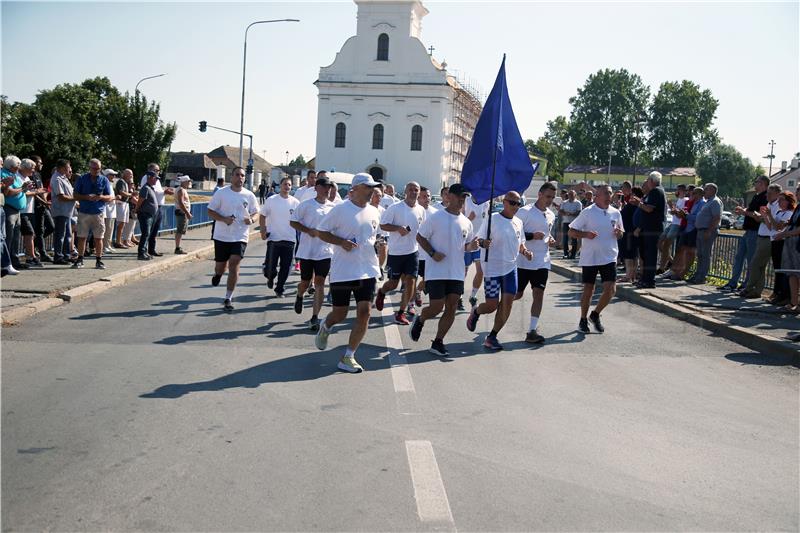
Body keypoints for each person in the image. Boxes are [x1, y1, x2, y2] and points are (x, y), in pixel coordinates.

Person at [314, 173, 382, 373]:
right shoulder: (340, 210)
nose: (372, 191)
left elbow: (371, 237)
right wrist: (341, 242)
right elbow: (321, 231)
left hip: (368, 270)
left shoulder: (374, 212)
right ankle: (326, 326)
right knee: (340, 313)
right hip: (343, 270)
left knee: (365, 312)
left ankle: (348, 356)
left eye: (373, 187)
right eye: (368, 187)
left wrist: (377, 244)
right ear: (356, 188)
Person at [410, 184, 478, 355]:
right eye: (459, 196)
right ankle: (421, 318)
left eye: (464, 197)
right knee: (436, 307)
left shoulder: (466, 223)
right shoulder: (435, 217)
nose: (462, 200)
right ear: (449, 197)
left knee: (452, 306)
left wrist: (473, 246)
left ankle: (438, 341)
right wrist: (432, 253)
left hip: (456, 272)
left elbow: (466, 246)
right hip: (437, 271)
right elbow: (420, 236)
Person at [466, 191, 532, 350]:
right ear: (504, 202)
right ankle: (476, 312)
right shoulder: (492, 219)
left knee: (508, 303)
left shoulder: (518, 222)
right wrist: (483, 243)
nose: (516, 206)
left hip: (510, 268)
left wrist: (525, 252)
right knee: (492, 305)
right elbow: (478, 239)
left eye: (518, 203)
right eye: (512, 202)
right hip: (492, 269)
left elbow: (520, 243)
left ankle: (492, 336)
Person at [568, 185, 625, 333]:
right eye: (605, 193)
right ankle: (583, 319)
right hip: (590, 257)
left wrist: (619, 233)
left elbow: (621, 233)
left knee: (611, 289)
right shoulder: (588, 212)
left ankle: (595, 314)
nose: (608, 196)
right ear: (597, 196)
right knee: (589, 289)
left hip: (609, 256)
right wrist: (586, 234)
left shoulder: (616, 213)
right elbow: (571, 232)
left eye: (610, 193)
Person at [207, 166, 259, 311]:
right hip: (222, 236)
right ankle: (218, 274)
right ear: (232, 177)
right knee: (221, 267)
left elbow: (256, 213)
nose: (240, 178)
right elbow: (210, 211)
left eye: (242, 175)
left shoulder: (249, 195)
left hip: (240, 236)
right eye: (237, 175)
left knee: (234, 263)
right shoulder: (221, 193)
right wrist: (223, 219)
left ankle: (228, 298)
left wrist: (252, 220)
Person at [375, 181, 425, 324]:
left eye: (416, 190)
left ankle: (401, 313)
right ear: (405, 192)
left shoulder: (421, 210)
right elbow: (383, 224)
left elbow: (424, 230)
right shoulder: (395, 208)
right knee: (393, 284)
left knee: (411, 281)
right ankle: (382, 292)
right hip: (396, 253)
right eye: (411, 189)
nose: (413, 192)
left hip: (413, 252)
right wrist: (398, 228)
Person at [290, 175, 335, 329]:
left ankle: (315, 316)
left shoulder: (333, 208)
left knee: (320, 283)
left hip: (325, 251)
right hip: (307, 251)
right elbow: (293, 221)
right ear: (316, 188)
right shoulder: (306, 205)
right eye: (324, 186)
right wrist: (308, 230)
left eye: (329, 187)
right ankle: (299, 294)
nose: (327, 189)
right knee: (305, 282)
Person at [514, 182, 557, 344]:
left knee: (538, 294)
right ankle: (495, 306)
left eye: (552, 197)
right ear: (539, 194)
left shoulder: (551, 214)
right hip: (523, 262)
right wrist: (532, 236)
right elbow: (514, 233)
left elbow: (547, 234)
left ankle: (532, 330)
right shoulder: (524, 212)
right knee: (516, 295)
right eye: (548, 196)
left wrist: (549, 239)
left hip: (542, 261)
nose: (550, 200)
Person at [722, 175, 770, 291]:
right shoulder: (756, 196)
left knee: (751, 260)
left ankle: (747, 285)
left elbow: (758, 215)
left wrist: (744, 212)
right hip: (748, 231)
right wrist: (744, 211)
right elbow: (750, 212)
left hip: (755, 232)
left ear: (763, 183)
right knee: (739, 257)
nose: (755, 184)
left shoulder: (765, 197)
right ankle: (733, 283)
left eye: (757, 182)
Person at [260, 176, 300, 297]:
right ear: (280, 186)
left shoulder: (295, 202)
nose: (287, 187)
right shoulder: (272, 200)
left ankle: (280, 288)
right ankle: (270, 277)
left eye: (289, 185)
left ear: (291, 187)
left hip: (289, 239)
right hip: (274, 239)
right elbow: (262, 215)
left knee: (286, 267)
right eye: (284, 184)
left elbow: (300, 220)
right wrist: (263, 230)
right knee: (270, 268)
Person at [72, 158, 113, 269]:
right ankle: (80, 259)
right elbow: (75, 195)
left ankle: (99, 260)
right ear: (89, 168)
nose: (96, 170)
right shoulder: (82, 179)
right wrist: (86, 197)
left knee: (98, 238)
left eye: (98, 168)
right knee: (82, 237)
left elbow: (109, 196)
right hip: (84, 211)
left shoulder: (104, 180)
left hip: (98, 212)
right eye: (94, 168)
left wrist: (100, 197)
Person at [628, 171, 666, 288]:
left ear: (651, 181)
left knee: (650, 255)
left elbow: (649, 209)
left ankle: (649, 281)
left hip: (652, 229)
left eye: (648, 179)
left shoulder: (656, 191)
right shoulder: (653, 192)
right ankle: (644, 279)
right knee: (645, 255)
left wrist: (638, 203)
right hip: (647, 228)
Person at [686, 183, 724, 285]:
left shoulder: (715, 202)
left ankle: (701, 277)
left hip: (707, 231)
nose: (704, 192)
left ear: (712, 191)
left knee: (705, 255)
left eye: (706, 190)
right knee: (700, 255)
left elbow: (716, 218)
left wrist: (709, 231)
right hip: (701, 231)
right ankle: (698, 275)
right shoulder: (708, 202)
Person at [773, 186, 800, 312]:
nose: (797, 193)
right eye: (797, 190)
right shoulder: (798, 208)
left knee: (798, 274)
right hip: (791, 244)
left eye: (799, 191)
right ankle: (793, 302)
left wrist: (784, 234)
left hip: (797, 245)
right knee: (791, 273)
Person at [138, 162, 174, 257]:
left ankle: (151, 249)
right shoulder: (147, 178)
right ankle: (144, 251)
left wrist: (164, 192)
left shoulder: (156, 180)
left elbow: (157, 191)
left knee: (154, 231)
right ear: (152, 170)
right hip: (150, 208)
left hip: (158, 206)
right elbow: (149, 191)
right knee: (148, 231)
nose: (159, 172)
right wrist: (164, 192)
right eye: (157, 170)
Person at [463, 193, 490, 309]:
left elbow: (487, 221)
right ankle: (458, 296)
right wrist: (468, 219)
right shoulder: (466, 201)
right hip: (467, 243)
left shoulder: (486, 203)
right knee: (463, 272)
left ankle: (473, 296)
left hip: (479, 243)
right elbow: (458, 220)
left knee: (481, 271)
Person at [18, 159, 44, 267]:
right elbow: (24, 192)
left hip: (29, 210)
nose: (33, 170)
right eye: (32, 168)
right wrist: (36, 192)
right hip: (23, 210)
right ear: (25, 168)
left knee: (30, 234)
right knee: (29, 233)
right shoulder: (18, 178)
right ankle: (31, 256)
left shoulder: (27, 177)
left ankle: (30, 256)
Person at [50, 159, 76, 265]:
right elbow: (61, 197)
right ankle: (58, 256)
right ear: (62, 168)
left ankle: (66, 255)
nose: (69, 169)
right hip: (61, 211)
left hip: (67, 212)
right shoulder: (56, 179)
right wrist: (75, 198)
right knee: (60, 235)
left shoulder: (64, 178)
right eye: (68, 167)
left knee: (67, 235)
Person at [30, 155, 54, 262]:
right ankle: (42, 253)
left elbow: (41, 190)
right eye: (40, 163)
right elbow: (34, 193)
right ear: (34, 163)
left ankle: (32, 243)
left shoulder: (38, 175)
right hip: (36, 206)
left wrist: (45, 201)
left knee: (51, 226)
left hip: (43, 205)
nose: (41, 165)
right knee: (39, 230)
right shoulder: (30, 176)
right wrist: (44, 202)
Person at [415, 186, 437, 302]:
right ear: (418, 198)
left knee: (427, 278)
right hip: (414, 252)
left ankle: (417, 292)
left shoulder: (436, 213)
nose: (427, 198)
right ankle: (410, 303)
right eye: (424, 196)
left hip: (429, 253)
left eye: (428, 196)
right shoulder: (414, 210)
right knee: (411, 279)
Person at [659, 184, 687, 272]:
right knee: (659, 242)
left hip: (677, 225)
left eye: (677, 190)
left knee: (666, 245)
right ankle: (671, 261)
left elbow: (680, 215)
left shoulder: (685, 200)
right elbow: (676, 211)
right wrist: (672, 208)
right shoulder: (679, 200)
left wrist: (672, 208)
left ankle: (662, 267)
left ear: (682, 191)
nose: (676, 192)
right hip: (672, 223)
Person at [136, 172, 160, 261]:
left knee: (148, 234)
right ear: (150, 178)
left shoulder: (150, 188)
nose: (157, 180)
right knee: (145, 233)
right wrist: (136, 209)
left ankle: (145, 252)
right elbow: (140, 200)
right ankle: (141, 253)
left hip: (150, 214)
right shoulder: (145, 188)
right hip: (145, 214)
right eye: (155, 178)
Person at [171, 175, 192, 254]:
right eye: (188, 181)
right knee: (180, 230)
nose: (189, 183)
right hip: (181, 212)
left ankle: (178, 247)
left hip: (181, 211)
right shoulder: (181, 190)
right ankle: (177, 248)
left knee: (181, 230)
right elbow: (181, 203)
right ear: (184, 182)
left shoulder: (181, 189)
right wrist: (187, 213)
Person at [559, 189, 582, 259]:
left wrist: (571, 214)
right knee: (565, 239)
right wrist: (566, 213)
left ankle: (573, 254)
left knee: (574, 239)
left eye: (572, 195)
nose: (571, 196)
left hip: (574, 223)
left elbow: (579, 212)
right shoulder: (564, 202)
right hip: (566, 222)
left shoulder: (578, 203)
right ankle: (566, 253)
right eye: (569, 194)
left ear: (575, 195)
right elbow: (561, 211)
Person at [113, 169, 133, 248]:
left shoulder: (124, 182)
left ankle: (120, 241)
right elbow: (121, 192)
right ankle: (118, 242)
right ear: (125, 174)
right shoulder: (121, 181)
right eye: (130, 174)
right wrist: (130, 195)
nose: (131, 176)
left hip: (124, 204)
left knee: (123, 224)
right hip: (121, 204)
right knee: (120, 224)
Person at [100, 169, 118, 254]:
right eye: (112, 174)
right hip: (106, 210)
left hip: (111, 211)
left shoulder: (110, 185)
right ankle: (104, 246)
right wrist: (115, 198)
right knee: (106, 229)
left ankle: (108, 245)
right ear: (107, 175)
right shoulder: (104, 183)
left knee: (110, 229)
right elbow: (106, 197)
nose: (114, 176)